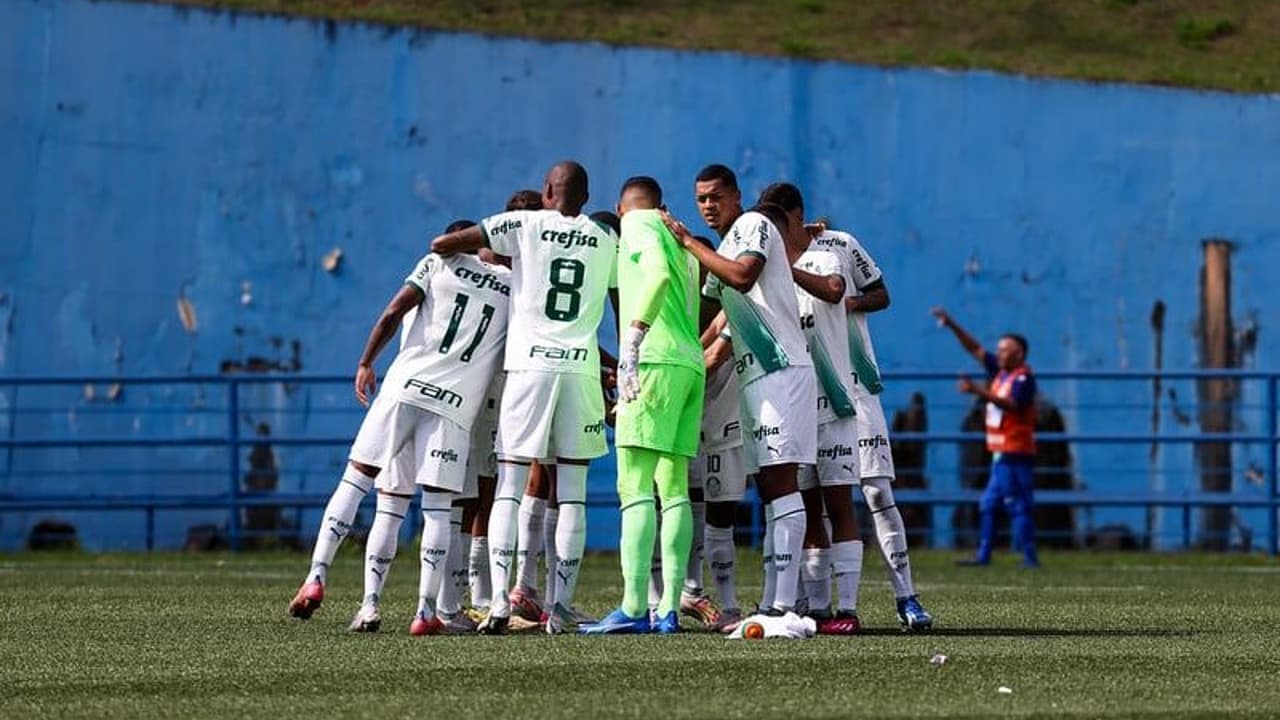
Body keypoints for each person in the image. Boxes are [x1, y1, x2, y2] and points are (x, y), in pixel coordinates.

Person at [431, 161, 618, 634]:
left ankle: (498, 604)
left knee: (510, 486)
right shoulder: (604, 239)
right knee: (572, 494)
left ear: (549, 190)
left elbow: (445, 244)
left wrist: (504, 258)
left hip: (531, 367)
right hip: (580, 369)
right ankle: (560, 607)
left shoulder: (525, 223)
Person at [664, 168, 816, 619]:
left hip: (781, 369)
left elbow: (744, 277)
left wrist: (689, 242)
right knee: (772, 489)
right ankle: (775, 603)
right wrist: (681, 363)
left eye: (715, 197)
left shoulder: (752, 225)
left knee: (783, 487)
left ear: (736, 197)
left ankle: (785, 607)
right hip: (757, 377)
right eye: (700, 199)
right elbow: (716, 324)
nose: (708, 206)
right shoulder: (727, 248)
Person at [582, 176, 704, 634]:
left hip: (653, 361)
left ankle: (634, 607)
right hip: (689, 366)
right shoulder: (678, 236)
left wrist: (632, 339)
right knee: (673, 490)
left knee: (634, 487)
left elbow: (655, 276)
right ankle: (668, 609)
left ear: (620, 208)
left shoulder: (636, 226)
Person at [804, 214, 934, 631]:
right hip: (806, 390)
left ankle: (906, 597)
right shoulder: (772, 255)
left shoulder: (838, 242)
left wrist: (849, 304)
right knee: (814, 498)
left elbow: (881, 293)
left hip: (856, 385)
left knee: (876, 491)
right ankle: (817, 602)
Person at [759, 182, 864, 635]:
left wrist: (789, 269)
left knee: (841, 503)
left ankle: (850, 609)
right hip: (794, 401)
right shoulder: (767, 266)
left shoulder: (826, 251)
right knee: (805, 502)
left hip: (835, 398)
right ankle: (819, 609)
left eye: (782, 225)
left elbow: (836, 290)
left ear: (796, 218)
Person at [932, 307, 1039, 568]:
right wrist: (951, 324)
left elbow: (1013, 405)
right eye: (1000, 349)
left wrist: (977, 391)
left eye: (1005, 350)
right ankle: (984, 555)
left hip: (1015, 451)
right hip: (1000, 450)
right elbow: (976, 349)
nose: (999, 353)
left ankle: (1029, 557)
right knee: (989, 504)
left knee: (1017, 504)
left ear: (1019, 353)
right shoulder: (1002, 373)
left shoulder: (1024, 378)